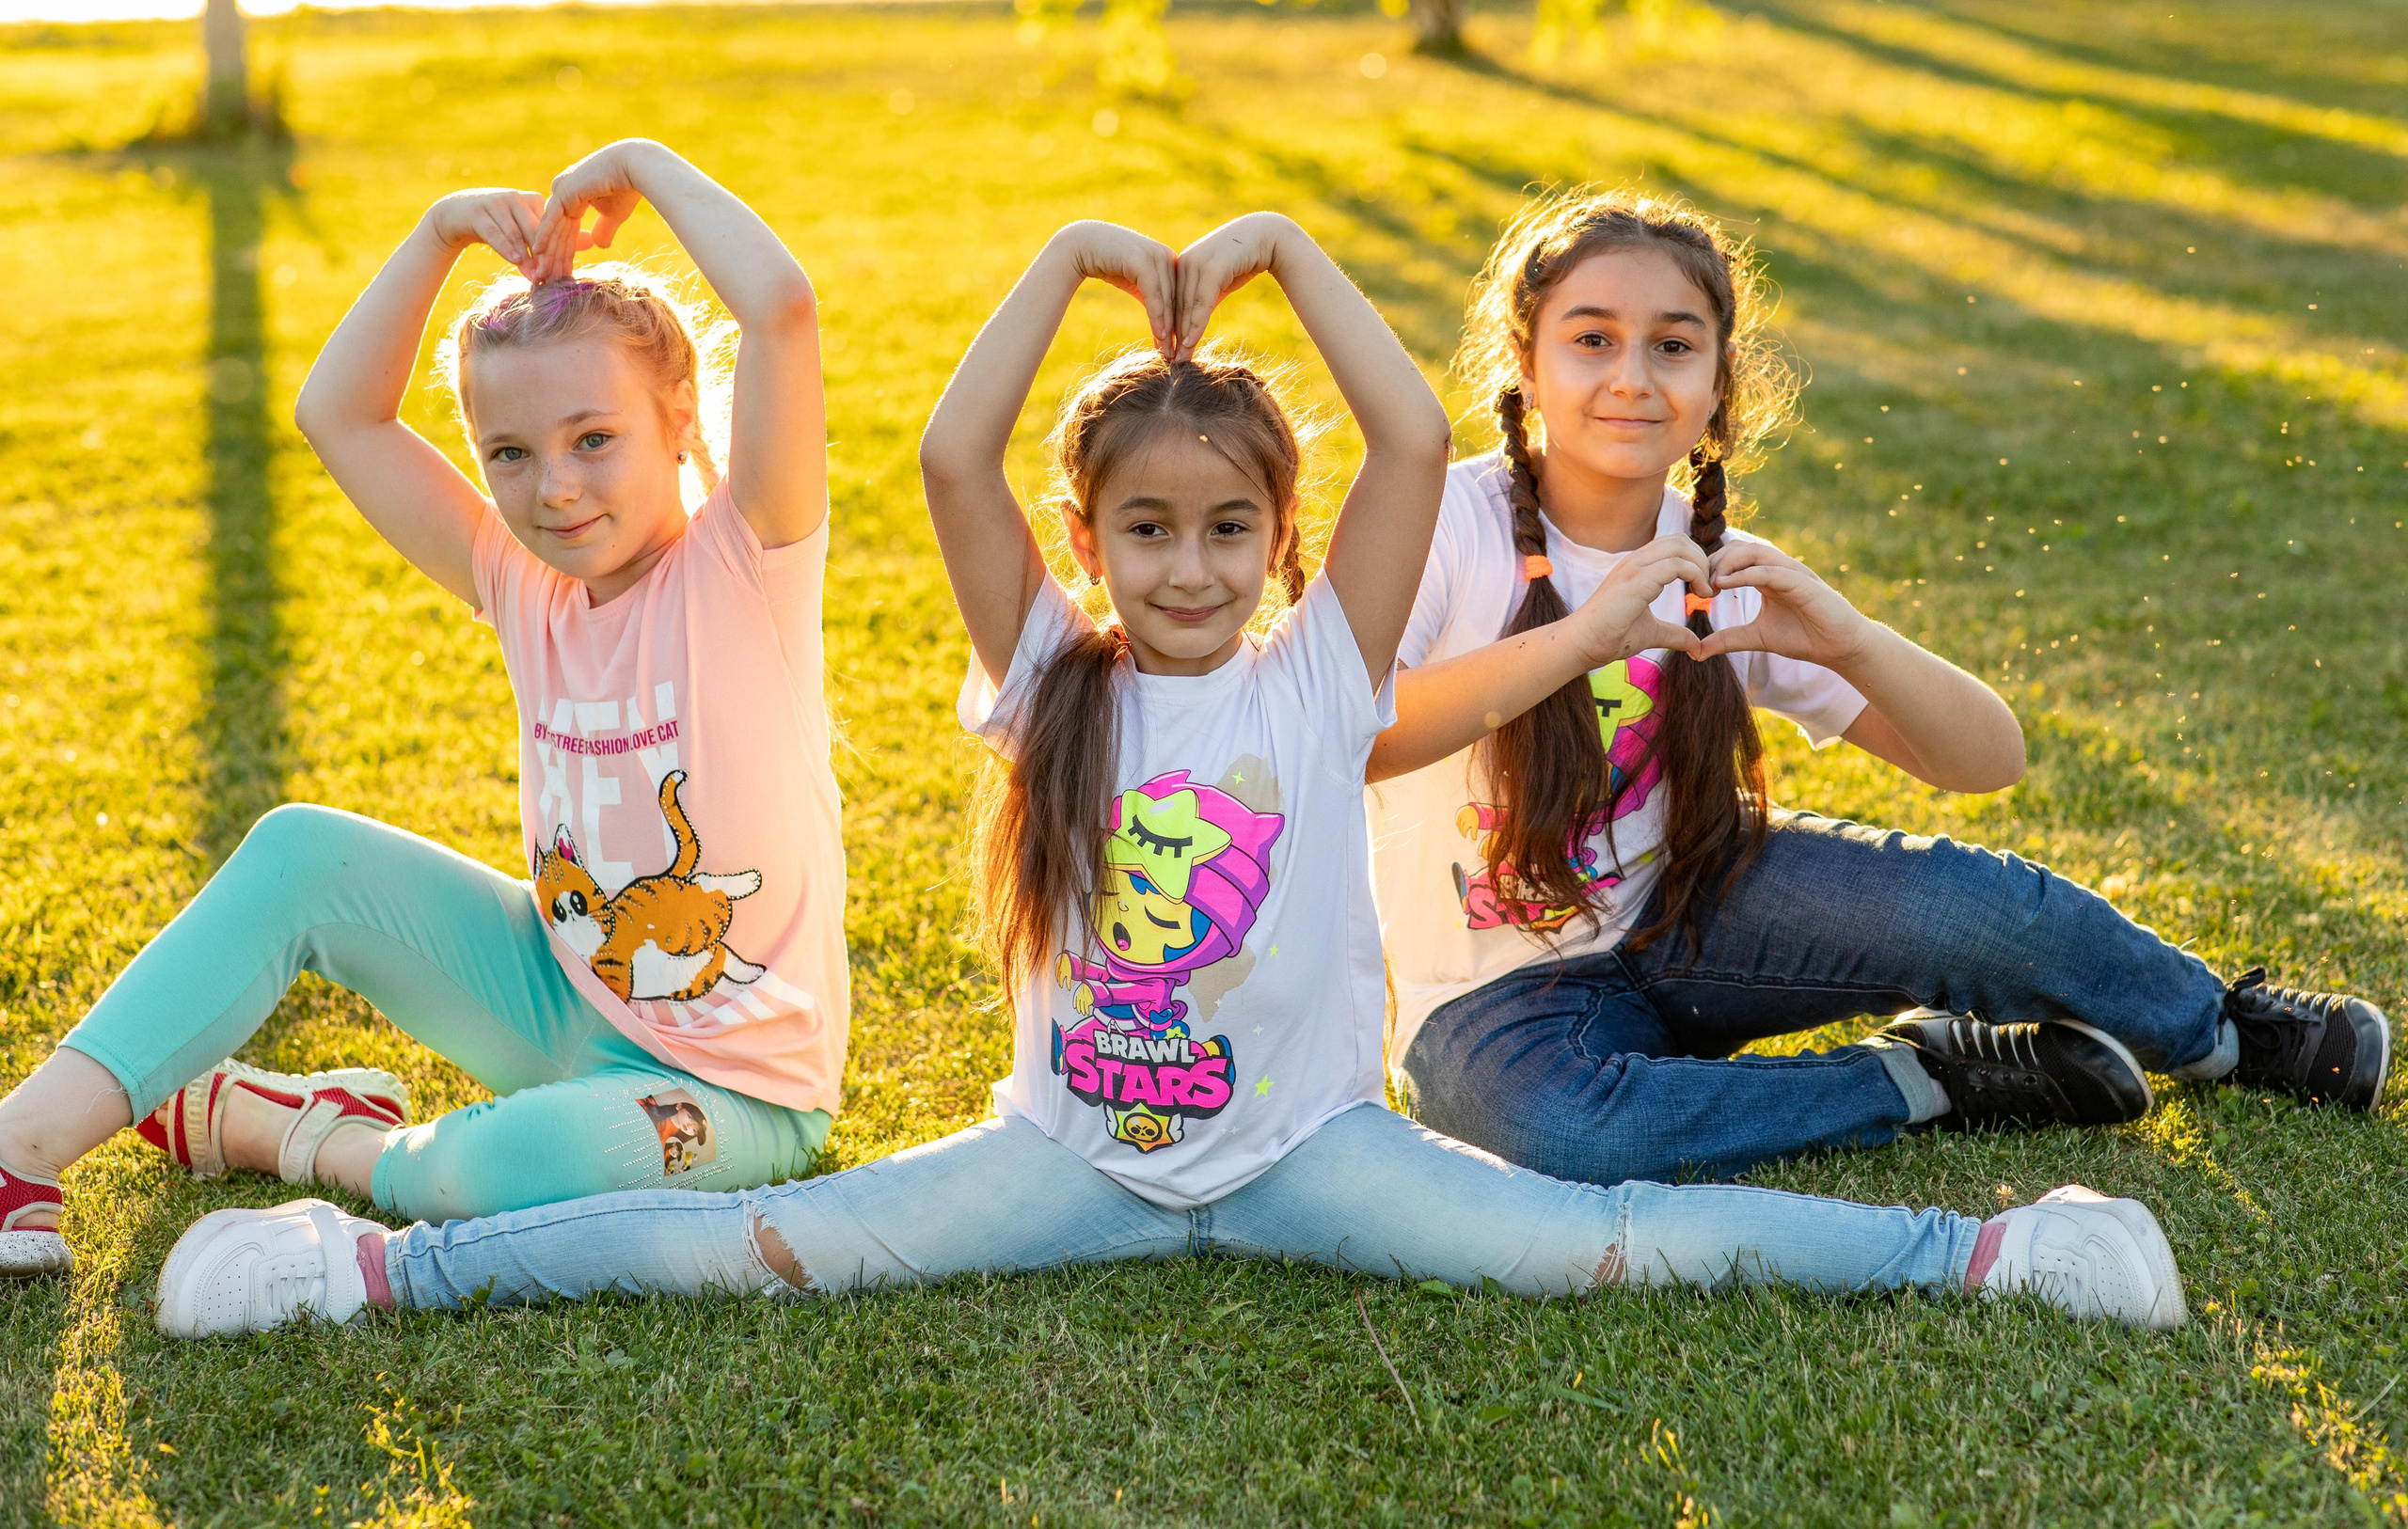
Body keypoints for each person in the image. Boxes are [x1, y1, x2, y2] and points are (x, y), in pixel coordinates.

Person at [146, 216, 2183, 1339]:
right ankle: (381, 1261)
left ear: (1270, 550)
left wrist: (1286, 254)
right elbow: (954, 457)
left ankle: (1986, 1250)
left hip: (1313, 1157)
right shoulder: (1045, 675)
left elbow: (1398, 446)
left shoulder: (1318, 676)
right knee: (759, 1248)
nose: (1185, 566)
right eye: (1143, 532)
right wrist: (1076, 268)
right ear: (1091, 543)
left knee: (1602, 1240)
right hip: (1059, 1158)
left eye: (1223, 531)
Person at [1366, 186, 2389, 1190]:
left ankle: (2219, 1032)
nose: (1631, 376)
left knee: (1974, 907)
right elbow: (1355, 737)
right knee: (1565, 1137)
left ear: (1720, 385)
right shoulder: (1442, 531)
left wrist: (1852, 643)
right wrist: (1580, 638)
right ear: (1524, 366)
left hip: (1689, 911)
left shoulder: (1723, 567)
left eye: (1673, 345)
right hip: (1488, 998)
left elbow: (1985, 762)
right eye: (1591, 339)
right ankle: (1926, 1075)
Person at [0, 140, 848, 1280]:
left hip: (738, 1093)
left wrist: (643, 168)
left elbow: (782, 310)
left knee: (481, 1173)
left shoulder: (745, 564)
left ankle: (297, 1133)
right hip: (560, 991)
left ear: (682, 420)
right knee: (300, 850)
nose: (553, 487)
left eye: (594, 440)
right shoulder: (521, 580)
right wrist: (436, 237)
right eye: (510, 453)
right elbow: (339, 415)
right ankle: (19, 1150)